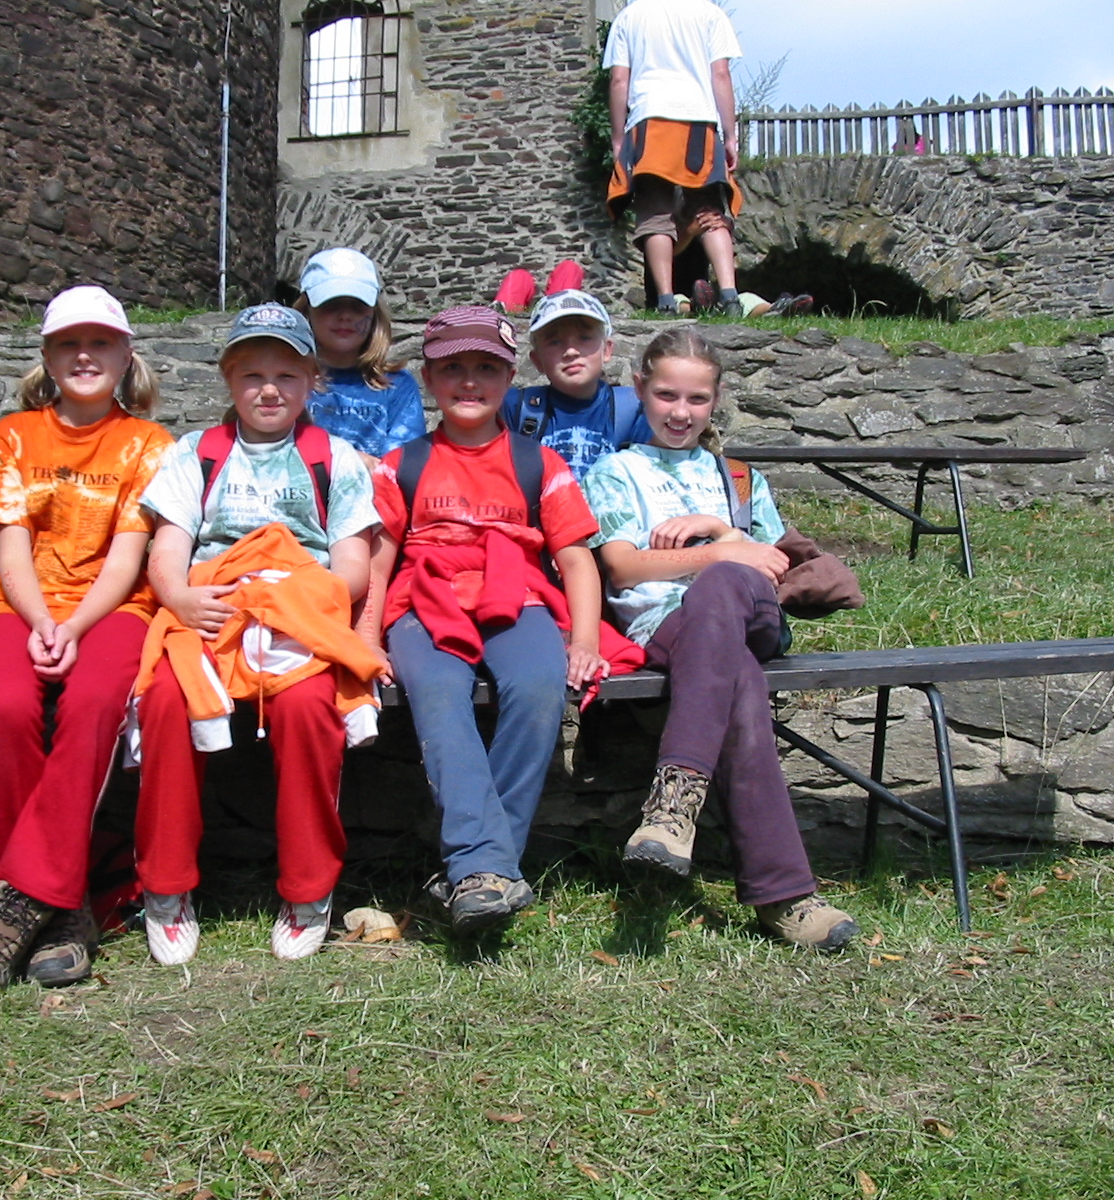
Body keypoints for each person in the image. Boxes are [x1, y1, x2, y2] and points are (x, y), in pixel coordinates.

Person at [581, 327, 860, 951]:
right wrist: (721, 554)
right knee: (737, 678)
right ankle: (785, 896)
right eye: (667, 395)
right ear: (640, 389)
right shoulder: (616, 472)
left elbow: (773, 563)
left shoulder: (736, 478)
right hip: (665, 627)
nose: (681, 412)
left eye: (697, 398)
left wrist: (719, 534)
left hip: (753, 614)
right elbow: (622, 568)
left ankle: (672, 805)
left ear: (717, 398)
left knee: (724, 585)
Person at [133, 303, 383, 965]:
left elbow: (352, 564)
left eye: (286, 375)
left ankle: (308, 888)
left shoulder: (333, 458)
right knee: (166, 702)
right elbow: (168, 549)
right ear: (229, 379)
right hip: (212, 610)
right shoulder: (197, 454)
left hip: (296, 614)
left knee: (307, 709)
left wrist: (296, 598)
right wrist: (180, 598)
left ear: (311, 381)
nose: (269, 390)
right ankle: (166, 886)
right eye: (252, 375)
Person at [0, 285, 174, 991]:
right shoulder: (13, 435)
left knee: (95, 705)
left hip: (116, 611)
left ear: (126, 355)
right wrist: (43, 620)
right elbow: (12, 546)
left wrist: (74, 625)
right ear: (47, 357)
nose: (85, 355)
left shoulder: (150, 444)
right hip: (21, 608)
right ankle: (65, 906)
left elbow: (129, 559)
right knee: (5, 708)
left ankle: (15, 905)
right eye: (69, 343)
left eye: (100, 342)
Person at [363, 305, 613, 935]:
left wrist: (584, 639)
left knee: (538, 686)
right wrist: (364, 634)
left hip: (517, 598)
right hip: (423, 603)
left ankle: (475, 869)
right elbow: (378, 560)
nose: (469, 381)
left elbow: (576, 561)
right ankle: (487, 868)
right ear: (428, 378)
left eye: (486, 368)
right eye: (452, 369)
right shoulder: (402, 464)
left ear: (510, 378)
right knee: (439, 691)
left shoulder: (539, 464)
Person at [604, 0, 746, 316]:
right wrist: (730, 135)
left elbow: (619, 80)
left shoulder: (629, 16)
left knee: (655, 214)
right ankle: (730, 297)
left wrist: (618, 139)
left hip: (649, 121)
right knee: (710, 210)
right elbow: (721, 75)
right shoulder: (710, 14)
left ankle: (666, 301)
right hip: (699, 122)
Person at [502, 288, 650, 478]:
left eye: (584, 338)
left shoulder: (634, 409)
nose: (571, 351)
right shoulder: (515, 408)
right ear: (537, 360)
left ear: (607, 350)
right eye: (555, 342)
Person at [294, 247, 425, 462]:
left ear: (374, 314)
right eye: (331, 304)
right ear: (307, 310)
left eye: (357, 306)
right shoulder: (287, 381)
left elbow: (404, 466)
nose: (345, 315)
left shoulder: (397, 386)